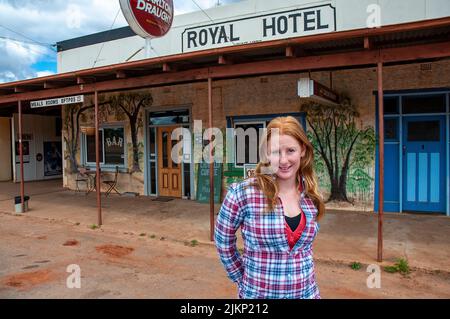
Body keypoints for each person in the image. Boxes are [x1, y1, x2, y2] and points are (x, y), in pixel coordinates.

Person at [215, 116, 325, 299]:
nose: (283, 160)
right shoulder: (243, 193)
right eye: (275, 152)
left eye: (290, 150)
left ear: (302, 150)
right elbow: (222, 241)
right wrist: (242, 278)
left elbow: (305, 250)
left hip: (307, 294)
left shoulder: (311, 195)